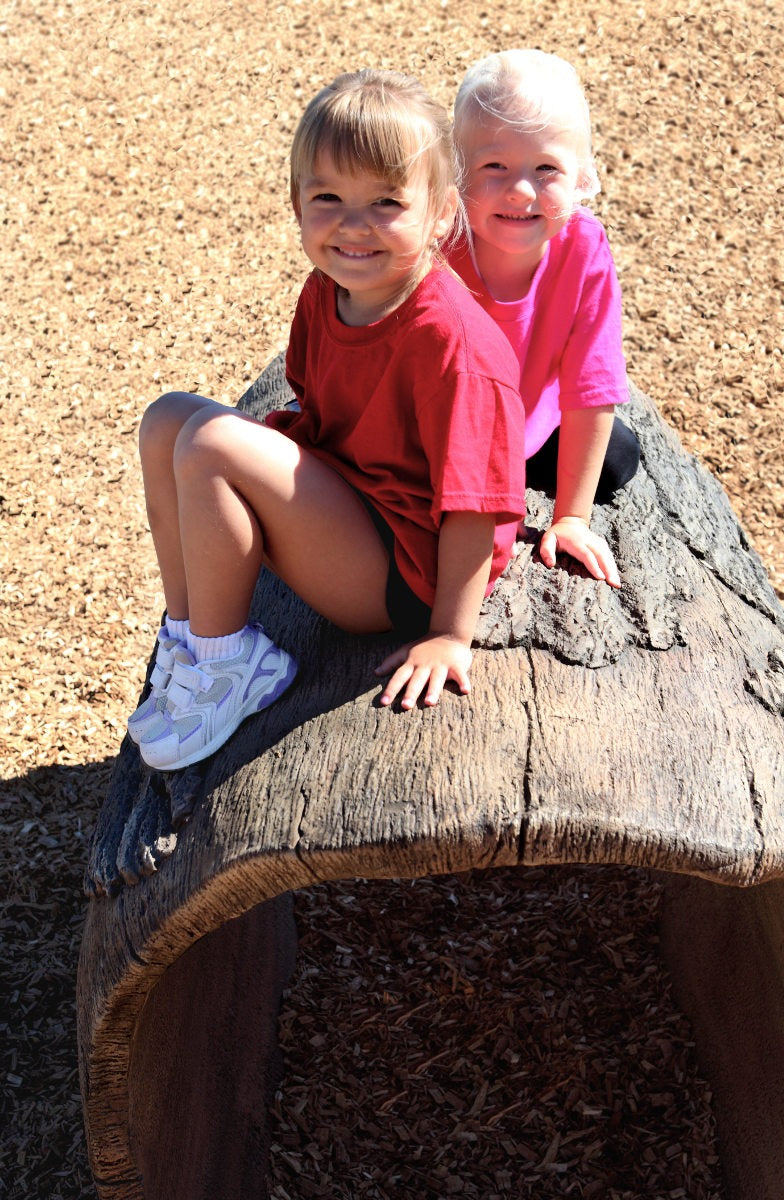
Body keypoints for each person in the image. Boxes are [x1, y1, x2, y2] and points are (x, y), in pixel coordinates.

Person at [127, 69, 526, 772]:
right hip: (356, 504)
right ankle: (190, 638)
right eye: (329, 199)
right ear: (297, 203)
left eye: (384, 203)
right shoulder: (327, 291)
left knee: (214, 442)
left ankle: (231, 665)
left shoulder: (452, 344)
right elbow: (321, 408)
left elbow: (477, 507)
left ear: (439, 212)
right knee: (167, 420)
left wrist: (449, 636)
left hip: (410, 567)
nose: (352, 225)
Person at [450, 49, 639, 589]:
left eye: (547, 169)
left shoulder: (583, 249)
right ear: (456, 170)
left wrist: (571, 518)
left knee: (617, 456)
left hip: (526, 422)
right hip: (441, 430)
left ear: (581, 177)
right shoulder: (438, 243)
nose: (521, 190)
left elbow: (591, 385)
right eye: (494, 167)